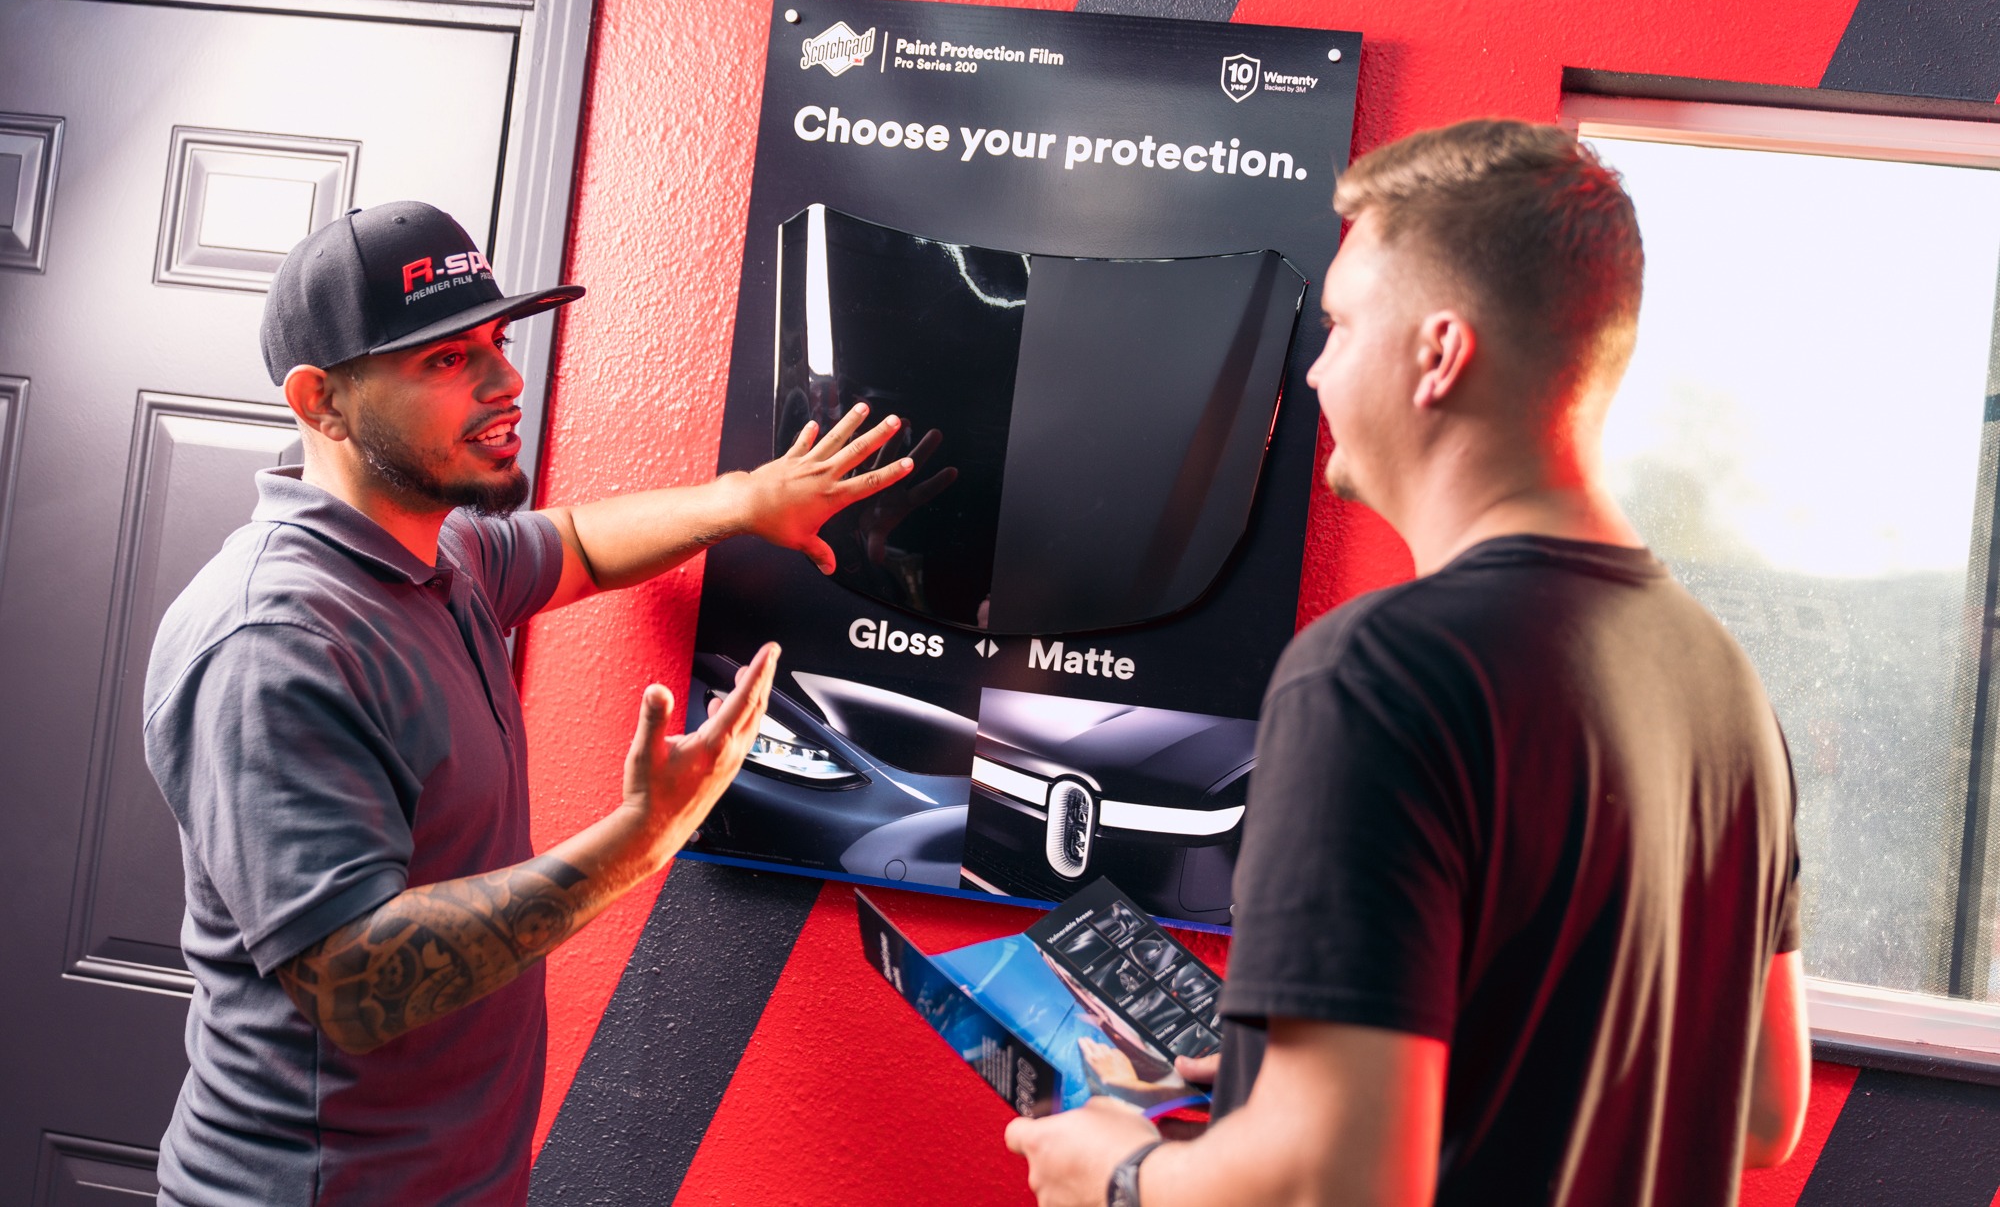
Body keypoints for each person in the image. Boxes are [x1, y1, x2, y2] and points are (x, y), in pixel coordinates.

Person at [1005, 121, 1810, 1207]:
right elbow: (1760, 1108)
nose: (1314, 366)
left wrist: (1120, 1173)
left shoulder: (1375, 675)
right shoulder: (1722, 682)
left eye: (1340, 324)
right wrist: (1306, 1068)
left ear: (1438, 354)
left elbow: (1336, 1183)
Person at [143, 201, 911, 1205]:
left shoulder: (443, 552)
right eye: (446, 359)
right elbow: (352, 983)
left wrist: (747, 500)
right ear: (320, 400)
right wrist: (634, 843)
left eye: (498, 343)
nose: (506, 382)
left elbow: (578, 543)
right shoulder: (275, 640)